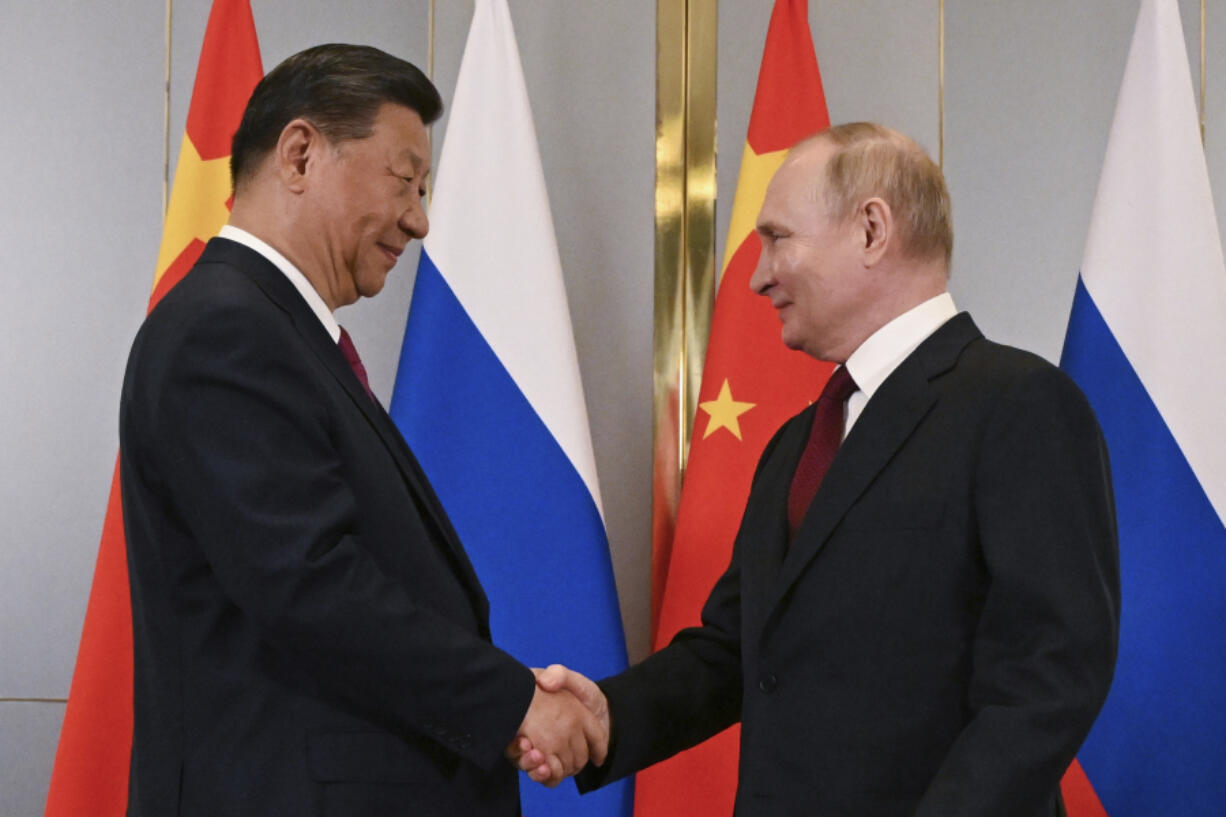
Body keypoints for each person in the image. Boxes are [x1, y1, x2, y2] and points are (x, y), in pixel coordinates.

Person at [516, 122, 1120, 816]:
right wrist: (606, 719)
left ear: (871, 229)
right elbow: (736, 649)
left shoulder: (1018, 404)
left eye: (778, 238)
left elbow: (1052, 673)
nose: (758, 273)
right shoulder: (798, 441)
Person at [119, 44, 602, 817]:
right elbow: (309, 583)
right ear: (302, 154)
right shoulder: (226, 331)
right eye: (404, 180)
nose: (419, 217)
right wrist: (514, 703)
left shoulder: (281, 336)